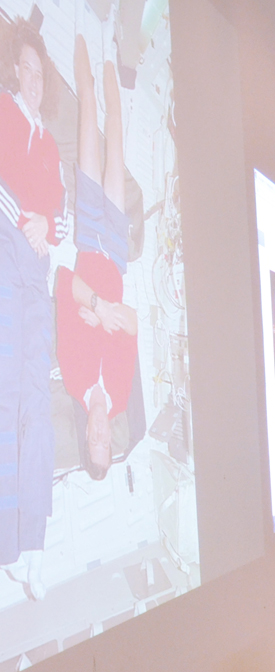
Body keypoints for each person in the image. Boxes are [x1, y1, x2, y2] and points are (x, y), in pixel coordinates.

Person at [56, 37, 137, 481]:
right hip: (119, 256)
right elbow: (136, 323)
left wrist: (98, 308)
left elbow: (64, 281)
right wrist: (112, 312)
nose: (102, 437)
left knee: (88, 108)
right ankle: (112, 47)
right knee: (117, 132)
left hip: (89, 238)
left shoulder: (73, 377)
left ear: (87, 437)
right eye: (109, 444)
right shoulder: (122, 395)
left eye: (95, 444)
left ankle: (86, 35)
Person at [0, 21, 63, 568]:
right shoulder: (3, 110)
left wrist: (47, 222)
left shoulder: (50, 143)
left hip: (37, 270)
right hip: (9, 249)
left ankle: (31, 535)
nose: (35, 79)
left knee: (36, 402)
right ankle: (5, 532)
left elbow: (60, 217)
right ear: (14, 71)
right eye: (28, 69)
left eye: (41, 73)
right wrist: (30, 222)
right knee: (9, 393)